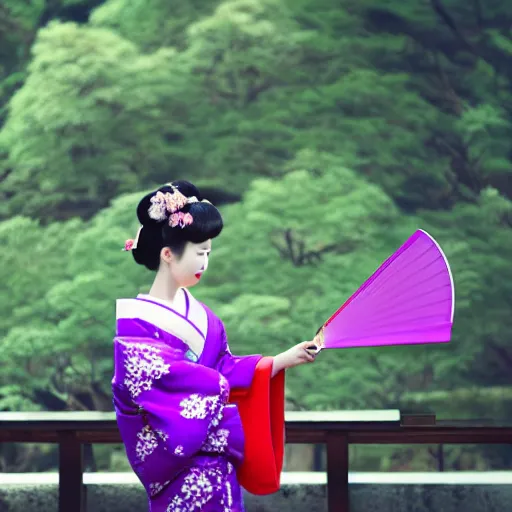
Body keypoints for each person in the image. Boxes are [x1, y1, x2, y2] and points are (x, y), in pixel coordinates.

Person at [112, 181, 318, 512]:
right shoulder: (135, 325)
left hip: (219, 466)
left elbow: (223, 367)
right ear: (168, 254)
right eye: (199, 253)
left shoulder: (204, 317)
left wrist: (281, 360)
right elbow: (160, 382)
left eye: (208, 253)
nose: (205, 263)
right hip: (179, 466)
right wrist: (216, 385)